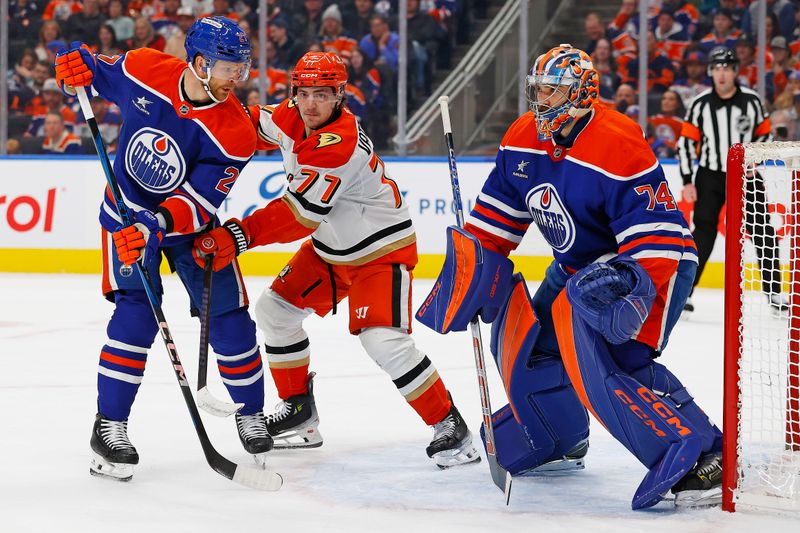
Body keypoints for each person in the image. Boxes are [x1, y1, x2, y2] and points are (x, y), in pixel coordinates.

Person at [417, 44, 724, 509]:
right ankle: (557, 436)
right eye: (537, 90)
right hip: (577, 268)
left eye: (552, 91)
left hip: (651, 266)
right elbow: (494, 222)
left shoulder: (618, 142)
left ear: (581, 93)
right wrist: (471, 269)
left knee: (617, 363)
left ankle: (706, 453)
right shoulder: (524, 137)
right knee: (534, 349)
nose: (540, 101)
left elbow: (656, 237)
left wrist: (630, 297)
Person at [193, 51, 481, 469]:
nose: (311, 104)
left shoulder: (339, 144)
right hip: (330, 250)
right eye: (304, 93)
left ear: (340, 96)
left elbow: (299, 214)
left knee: (382, 341)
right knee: (275, 311)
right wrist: (196, 116)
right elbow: (248, 124)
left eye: (322, 95)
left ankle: (451, 427)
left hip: (379, 253)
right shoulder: (292, 114)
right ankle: (299, 413)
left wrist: (238, 234)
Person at [54, 16, 272, 482]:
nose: (240, 75)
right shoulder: (144, 67)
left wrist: (158, 223)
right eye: (230, 66)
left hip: (188, 229)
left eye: (242, 66)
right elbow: (94, 70)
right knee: (134, 318)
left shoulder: (236, 130)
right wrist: (75, 64)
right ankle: (109, 427)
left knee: (230, 319)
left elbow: (200, 199)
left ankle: (250, 411)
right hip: (126, 217)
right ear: (199, 63)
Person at [677, 46, 788, 315]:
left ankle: (773, 293)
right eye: (717, 68)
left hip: (746, 174)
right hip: (710, 175)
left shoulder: (751, 101)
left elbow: (765, 137)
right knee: (703, 233)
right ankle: (684, 293)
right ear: (711, 72)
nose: (722, 74)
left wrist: (755, 161)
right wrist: (687, 181)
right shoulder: (700, 104)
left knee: (763, 231)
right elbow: (685, 143)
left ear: (736, 71)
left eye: (727, 68)